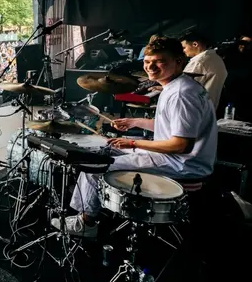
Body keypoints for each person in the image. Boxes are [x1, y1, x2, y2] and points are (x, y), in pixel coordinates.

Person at [53, 36, 217, 237]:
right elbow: (178, 127)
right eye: (147, 62)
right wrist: (135, 122)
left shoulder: (181, 94)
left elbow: (181, 144)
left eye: (159, 61)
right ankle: (95, 206)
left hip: (181, 164)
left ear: (178, 61)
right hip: (177, 158)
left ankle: (86, 223)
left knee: (94, 165)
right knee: (103, 150)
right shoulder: (179, 85)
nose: (151, 67)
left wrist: (132, 142)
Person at [180, 31, 227, 111]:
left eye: (184, 47)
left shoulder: (199, 62)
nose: (183, 51)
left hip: (196, 109)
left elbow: (182, 87)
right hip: (210, 108)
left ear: (195, 44)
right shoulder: (216, 58)